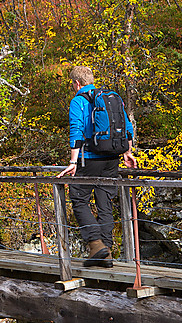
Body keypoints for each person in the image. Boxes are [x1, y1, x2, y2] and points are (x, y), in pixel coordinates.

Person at [58, 65, 137, 267]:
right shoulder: (113, 97)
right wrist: (127, 152)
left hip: (89, 158)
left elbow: (76, 130)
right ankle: (107, 254)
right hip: (112, 158)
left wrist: (72, 162)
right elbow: (127, 127)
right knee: (105, 201)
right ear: (91, 80)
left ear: (76, 83)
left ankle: (96, 244)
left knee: (78, 198)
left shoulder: (79, 101)